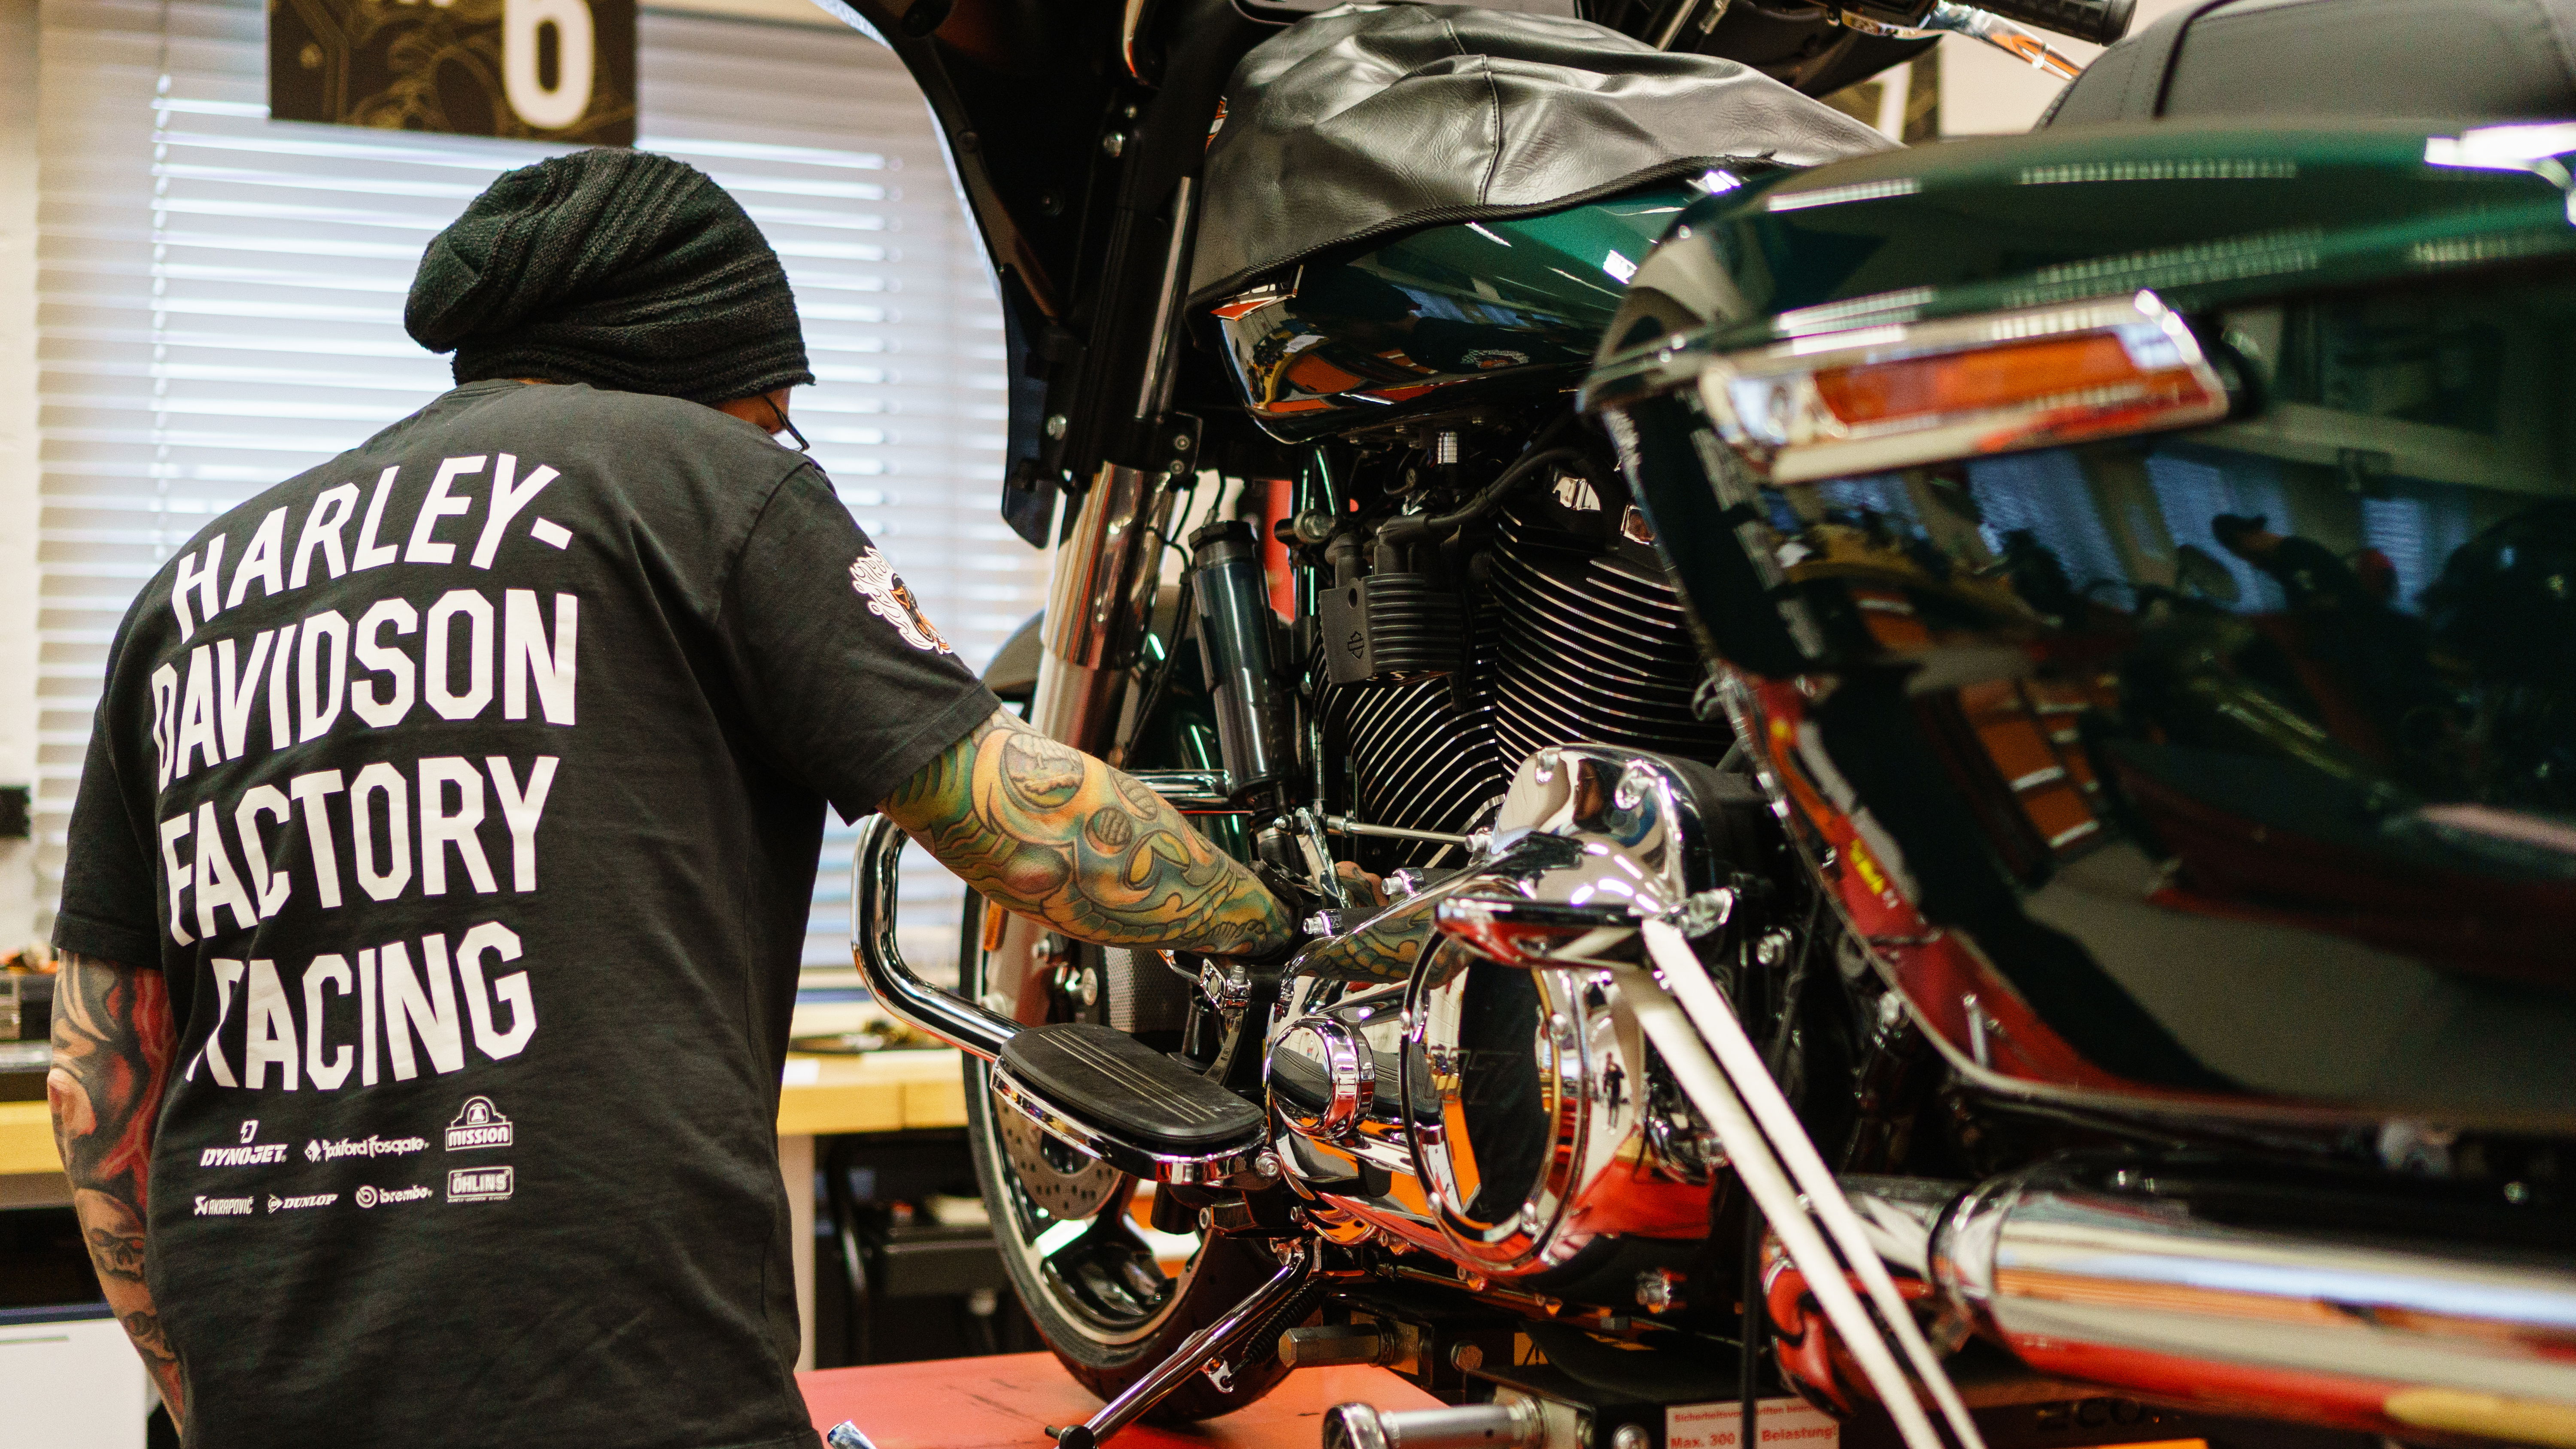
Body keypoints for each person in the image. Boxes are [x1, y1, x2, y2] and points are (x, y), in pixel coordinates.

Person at [43, 149, 1289, 1449]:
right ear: (710, 366)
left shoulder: (193, 593)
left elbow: (100, 1066)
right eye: (778, 406)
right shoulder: (700, 475)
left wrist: (195, 1388)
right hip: (623, 1392)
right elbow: (1020, 820)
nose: (780, 437)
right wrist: (1293, 926)